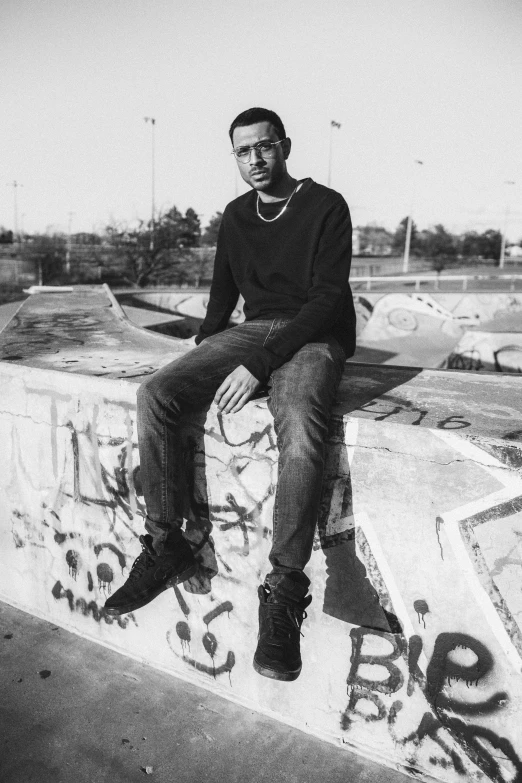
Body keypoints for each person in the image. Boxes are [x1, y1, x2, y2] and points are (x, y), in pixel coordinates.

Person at [105, 107, 355, 682]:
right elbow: (222, 297)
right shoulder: (238, 215)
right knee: (159, 394)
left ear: (285, 146)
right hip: (257, 329)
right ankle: (167, 542)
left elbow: (326, 301)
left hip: (315, 336)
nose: (255, 161)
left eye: (264, 148)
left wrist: (259, 364)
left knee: (299, 424)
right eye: (243, 152)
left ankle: (286, 587)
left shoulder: (325, 206)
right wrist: (202, 353)